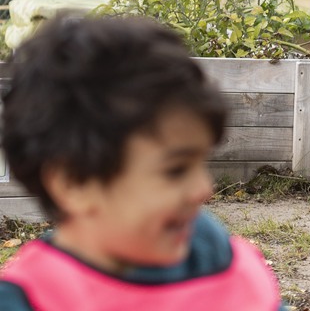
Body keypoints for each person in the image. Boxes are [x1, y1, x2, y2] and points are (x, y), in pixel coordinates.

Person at [0, 16, 283, 310]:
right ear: (75, 184)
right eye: (175, 170)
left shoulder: (213, 256)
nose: (204, 188)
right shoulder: (30, 300)